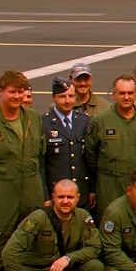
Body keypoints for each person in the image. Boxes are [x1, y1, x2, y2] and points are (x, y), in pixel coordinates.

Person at [1, 179, 102, 271]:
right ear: (53, 197)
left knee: (95, 267)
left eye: (70, 197)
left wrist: (69, 259)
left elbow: (94, 247)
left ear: (78, 198)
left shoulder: (82, 217)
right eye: (61, 197)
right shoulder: (38, 218)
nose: (65, 201)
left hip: (62, 268)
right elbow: (9, 251)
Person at [84, 75, 136, 219]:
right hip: (110, 186)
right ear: (113, 95)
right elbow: (90, 154)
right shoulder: (100, 121)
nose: (126, 97)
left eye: (130, 93)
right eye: (121, 93)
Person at [42, 76, 91, 207]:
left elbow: (91, 160)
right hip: (57, 195)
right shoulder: (43, 124)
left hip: (81, 192)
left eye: (71, 96)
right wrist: (45, 195)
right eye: (62, 96)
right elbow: (40, 164)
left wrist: (92, 190)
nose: (67, 100)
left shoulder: (85, 121)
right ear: (53, 97)